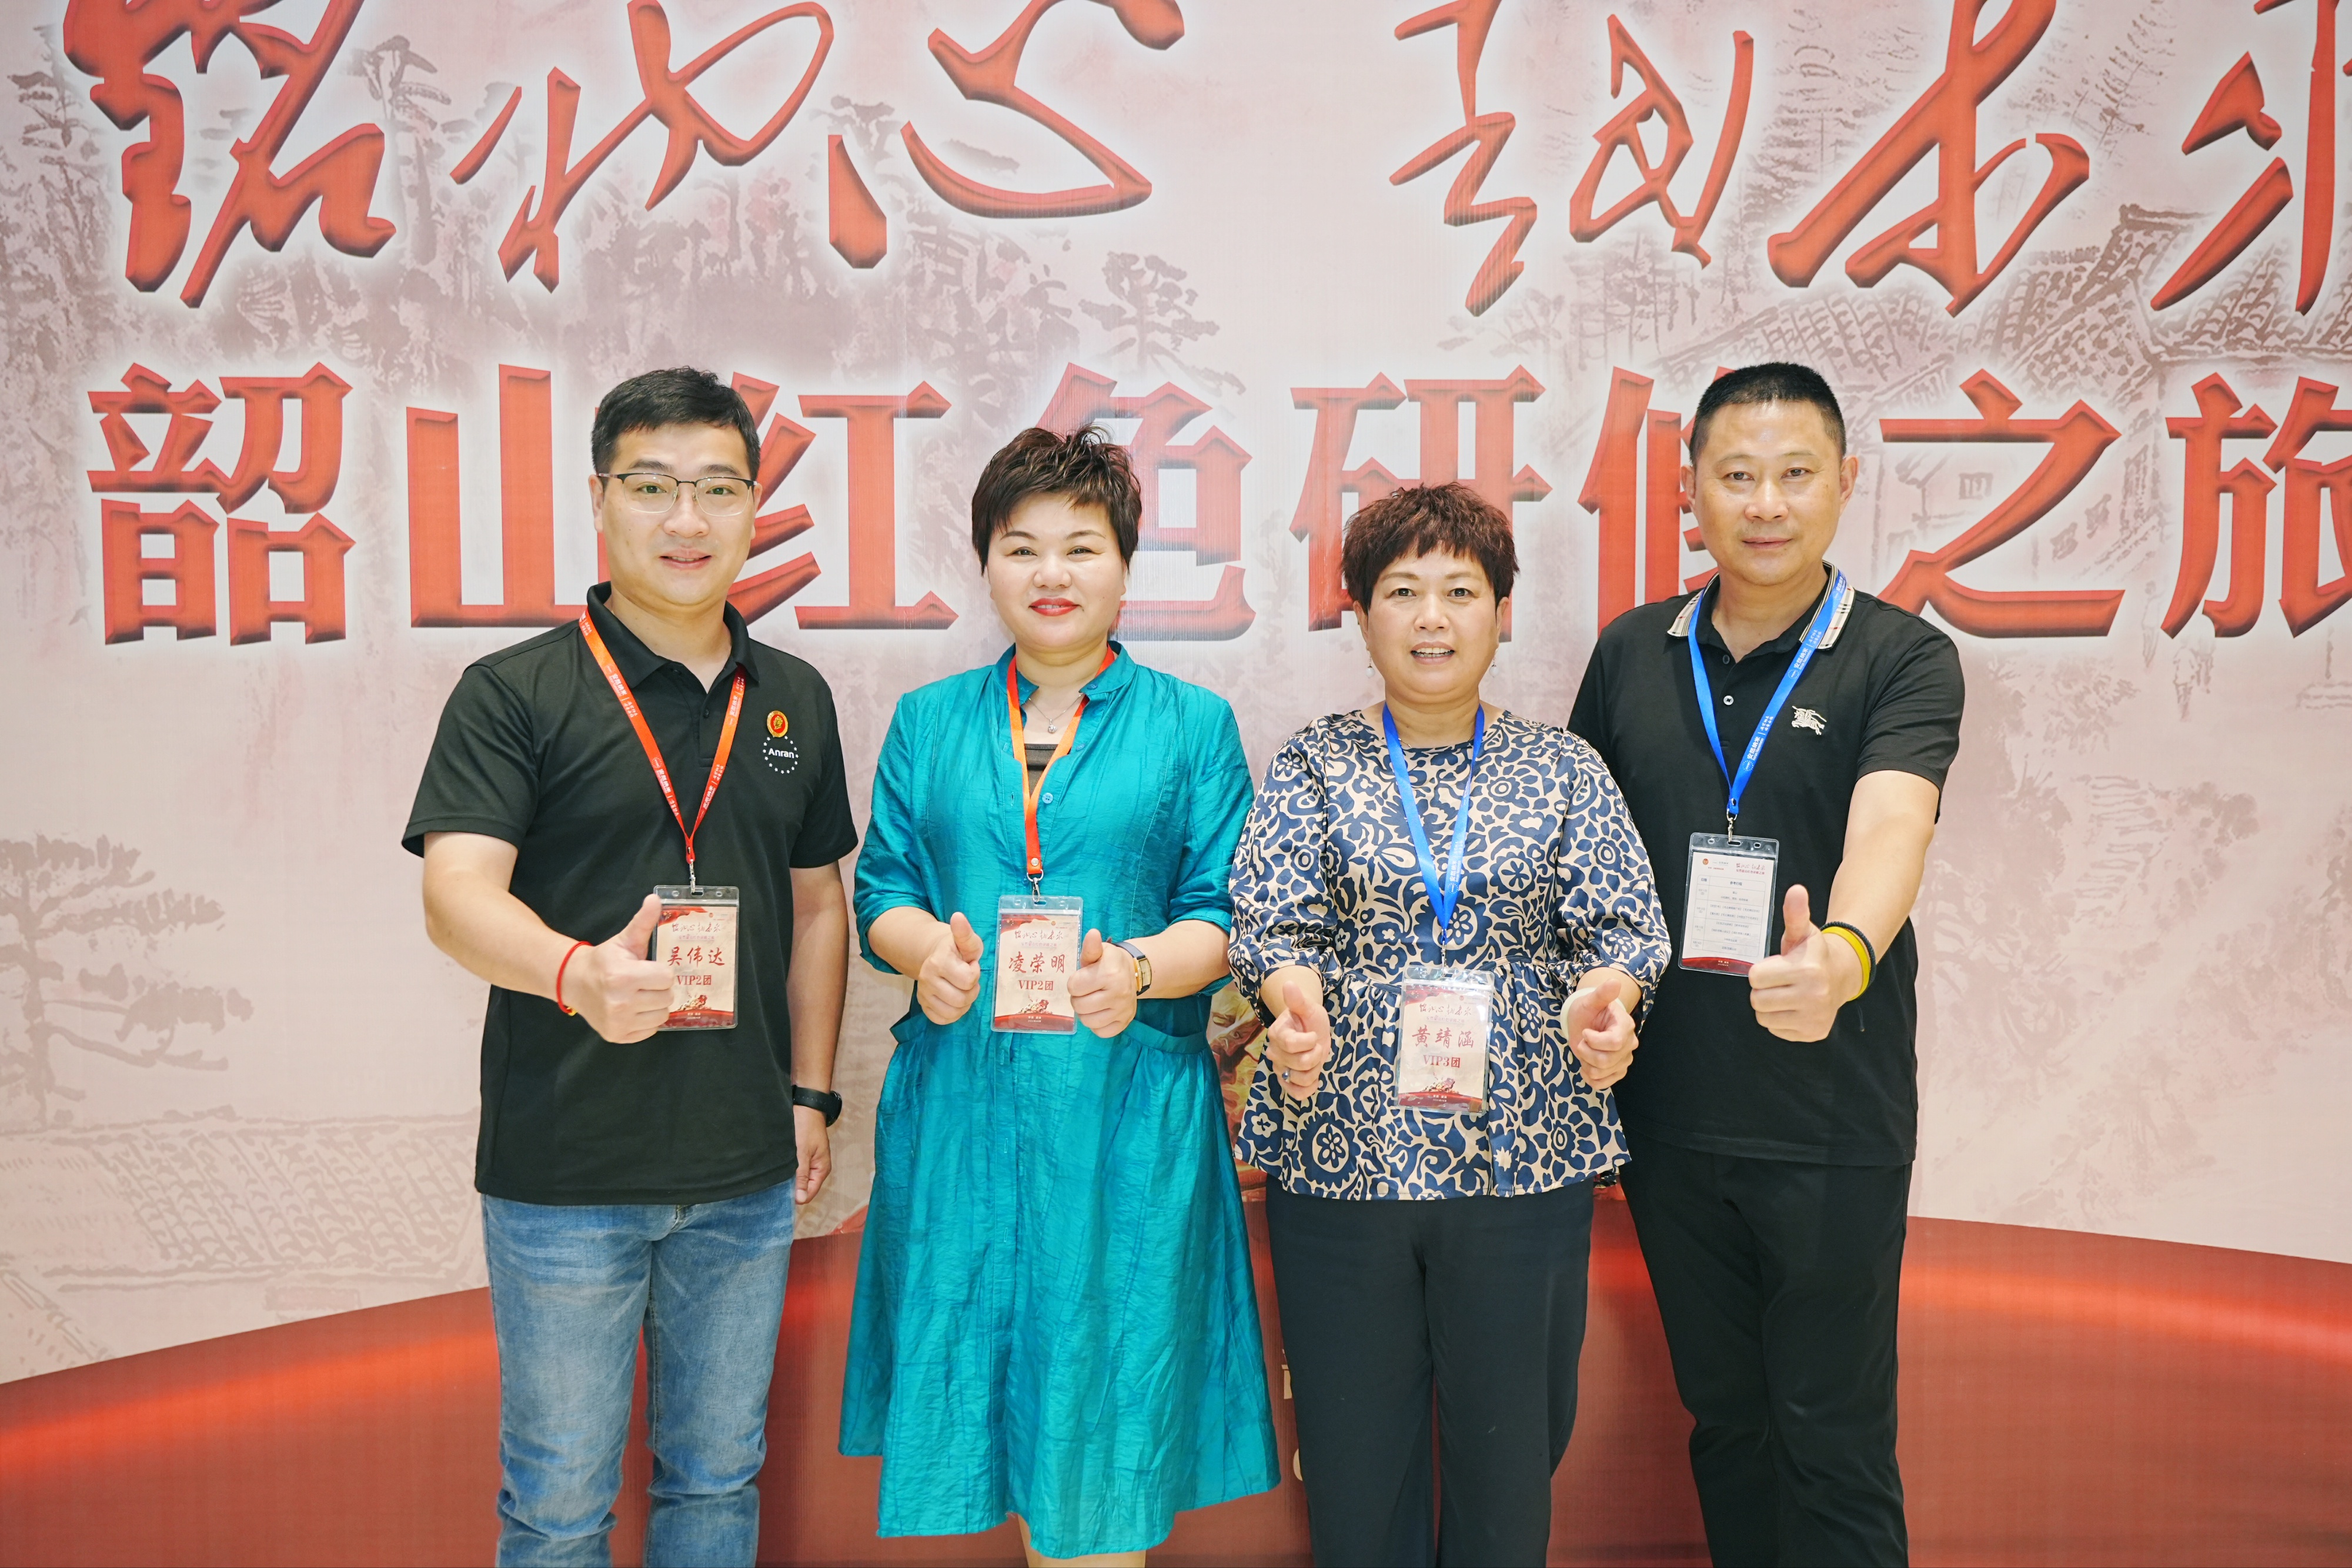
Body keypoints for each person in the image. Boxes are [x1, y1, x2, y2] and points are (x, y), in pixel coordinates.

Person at [404, 367, 857, 1568]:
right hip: (568, 1170)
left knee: (716, 1483)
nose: (686, 519)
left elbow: (820, 906)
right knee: (558, 1507)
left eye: (718, 488)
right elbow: (456, 895)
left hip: (744, 1169)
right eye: (652, 486)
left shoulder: (793, 698)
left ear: (753, 506)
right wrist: (575, 974)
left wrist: (811, 1094)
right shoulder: (516, 693)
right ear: (599, 499)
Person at [842, 426, 1279, 1566]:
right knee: (983, 1390)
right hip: (965, 1111)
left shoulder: (1191, 724)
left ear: (1124, 566)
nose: (1051, 573)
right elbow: (883, 887)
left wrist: (1138, 970)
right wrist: (922, 955)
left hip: (1124, 1114)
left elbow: (1223, 909)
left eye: (1081, 548)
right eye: (1021, 546)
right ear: (985, 562)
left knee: (1105, 1427)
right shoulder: (930, 720)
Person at [1228, 481, 1672, 1567]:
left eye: (1461, 592)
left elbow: (1624, 926)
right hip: (1343, 1164)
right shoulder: (1315, 762)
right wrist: (1289, 999)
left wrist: (1608, 1001)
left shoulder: (1564, 769)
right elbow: (1271, 923)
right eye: (1403, 591)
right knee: (1355, 1473)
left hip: (1523, 1168)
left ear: (1501, 613)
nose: (1432, 618)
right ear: (1360, 613)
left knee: (1508, 1474)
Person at [1568, 363, 1964, 1567]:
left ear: (1846, 481)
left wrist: (1840, 956)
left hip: (1829, 1114)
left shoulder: (1899, 655)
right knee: (1728, 1424)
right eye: (1736, 475)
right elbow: (1583, 862)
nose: (1766, 503)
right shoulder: (1632, 653)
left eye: (1795, 473)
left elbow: (1893, 828)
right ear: (1689, 489)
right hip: (1671, 1116)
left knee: (1831, 1438)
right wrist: (1597, 996)